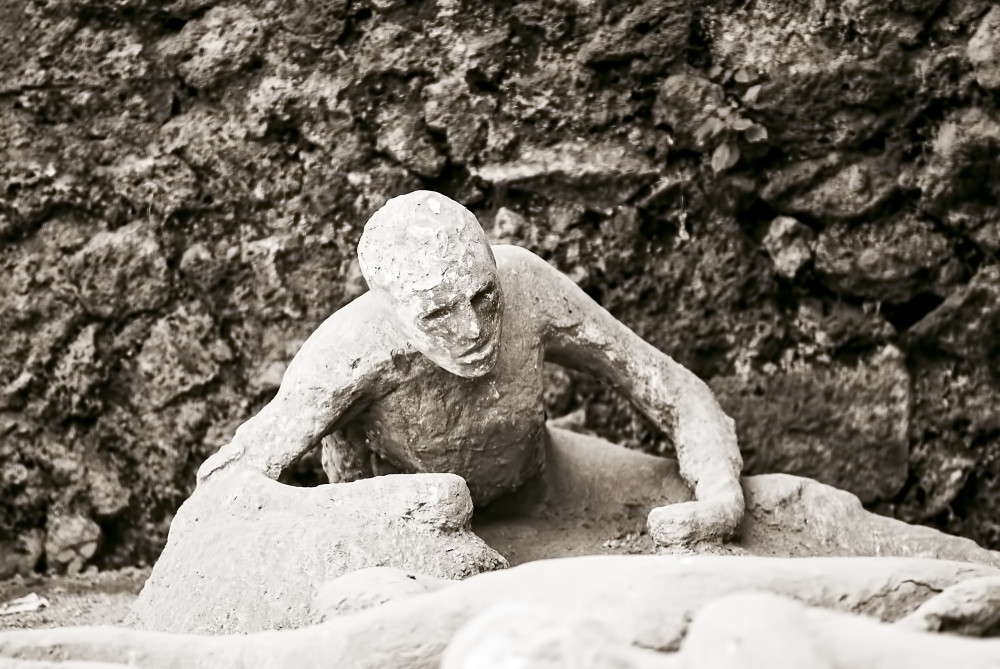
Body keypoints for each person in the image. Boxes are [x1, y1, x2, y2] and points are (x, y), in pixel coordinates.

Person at [197, 190, 744, 547]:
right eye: (439, 313)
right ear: (391, 309)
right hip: (404, 539)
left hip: (543, 485)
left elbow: (669, 384)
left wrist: (720, 495)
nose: (473, 330)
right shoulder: (350, 350)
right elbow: (228, 483)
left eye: (484, 297)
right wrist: (381, 506)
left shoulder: (525, 283)